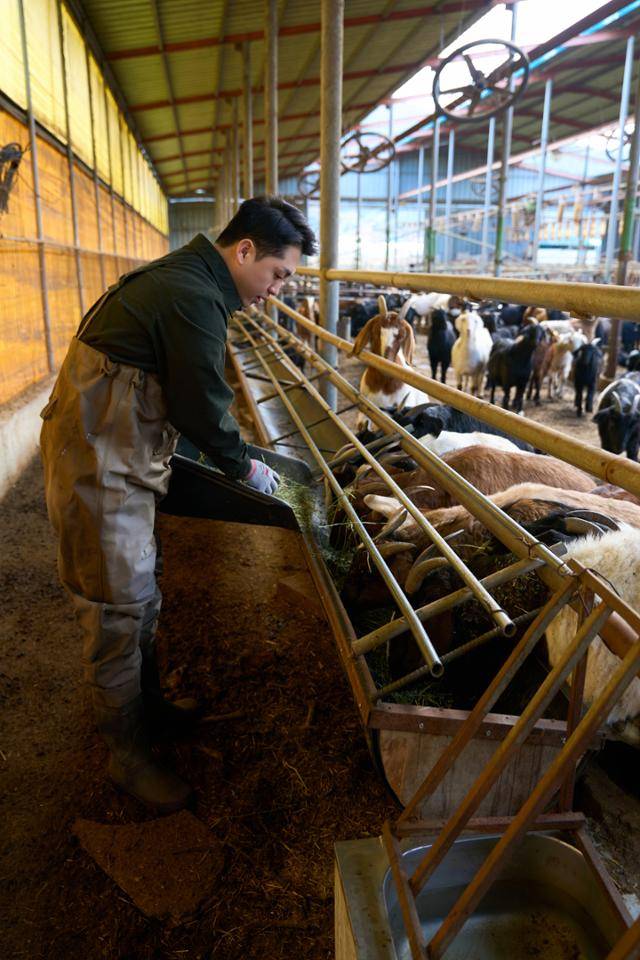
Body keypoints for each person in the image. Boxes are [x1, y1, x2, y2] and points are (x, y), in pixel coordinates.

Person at [40, 196, 317, 813]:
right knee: (117, 606)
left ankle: (150, 711)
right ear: (244, 251)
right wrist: (245, 466)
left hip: (118, 451)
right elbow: (201, 406)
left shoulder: (190, 281)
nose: (276, 290)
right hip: (98, 465)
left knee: (140, 594)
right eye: (277, 274)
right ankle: (127, 757)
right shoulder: (192, 296)